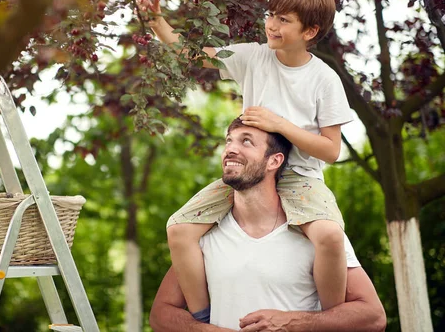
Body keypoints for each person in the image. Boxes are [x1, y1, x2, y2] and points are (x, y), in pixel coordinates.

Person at [137, 0, 352, 319]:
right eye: (271, 15)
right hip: (251, 175)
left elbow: (331, 150)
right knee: (178, 228)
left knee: (328, 235)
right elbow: (191, 54)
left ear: (310, 31)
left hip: (299, 177)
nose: (271, 24)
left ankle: (331, 321)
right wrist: (155, 21)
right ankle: (203, 316)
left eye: (284, 20)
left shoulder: (323, 79)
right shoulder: (254, 56)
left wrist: (279, 124)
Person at [148, 119, 387, 331]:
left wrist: (294, 322)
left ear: (274, 161)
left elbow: (373, 317)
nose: (231, 149)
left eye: (246, 142)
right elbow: (160, 315)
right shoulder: (203, 234)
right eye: (229, 141)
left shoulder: (318, 234)